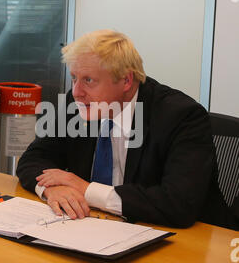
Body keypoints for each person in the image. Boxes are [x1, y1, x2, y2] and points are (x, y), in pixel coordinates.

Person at [17, 29, 238, 230]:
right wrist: (51, 189)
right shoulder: (77, 104)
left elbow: (178, 204)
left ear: (126, 81)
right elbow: (32, 160)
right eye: (74, 78)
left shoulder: (182, 117)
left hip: (185, 242)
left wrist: (85, 190)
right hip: (97, 229)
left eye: (88, 80)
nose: (76, 91)